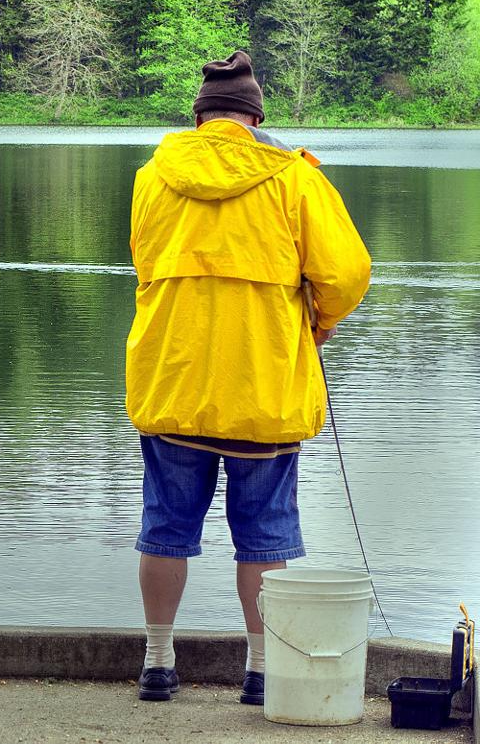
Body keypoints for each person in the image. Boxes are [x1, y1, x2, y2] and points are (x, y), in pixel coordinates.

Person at [124, 51, 370, 706]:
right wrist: (317, 322)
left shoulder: (154, 176)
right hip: (262, 390)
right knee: (263, 534)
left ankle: (156, 659)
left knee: (164, 527)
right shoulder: (294, 178)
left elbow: (144, 263)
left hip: (174, 383)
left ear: (198, 116)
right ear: (257, 117)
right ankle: (261, 669)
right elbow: (347, 275)